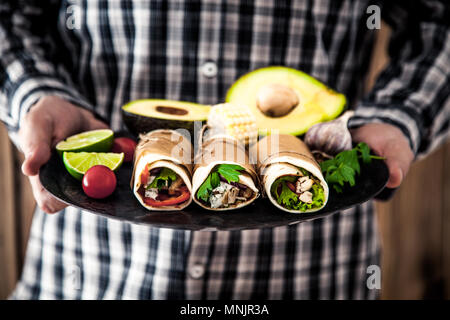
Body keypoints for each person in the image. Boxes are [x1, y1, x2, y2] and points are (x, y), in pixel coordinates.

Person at [1, 0, 448, 299]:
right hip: (92, 265)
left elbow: (438, 21)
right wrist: (36, 93)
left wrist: (399, 115)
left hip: (313, 265)